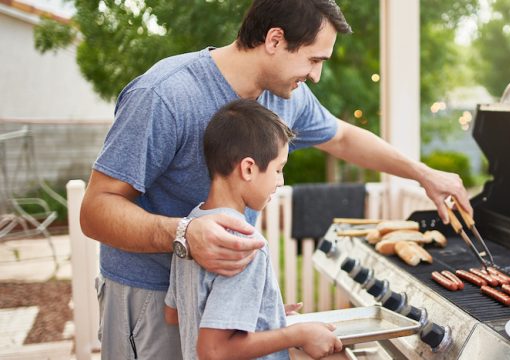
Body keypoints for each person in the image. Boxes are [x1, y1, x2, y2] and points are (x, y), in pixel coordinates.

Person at [80, 0, 471, 358]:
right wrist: (184, 234)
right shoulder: (166, 95)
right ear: (274, 39)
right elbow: (95, 211)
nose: (316, 76)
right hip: (146, 296)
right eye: (313, 60)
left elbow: (344, 137)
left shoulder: (285, 97)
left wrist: (424, 174)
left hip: (212, 299)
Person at [165, 99, 342, 360]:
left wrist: (262, 313)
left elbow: (175, 313)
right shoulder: (244, 243)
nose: (281, 181)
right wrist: (298, 334)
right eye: (278, 169)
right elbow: (213, 350)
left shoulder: (193, 226)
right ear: (248, 168)